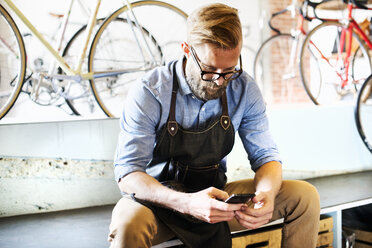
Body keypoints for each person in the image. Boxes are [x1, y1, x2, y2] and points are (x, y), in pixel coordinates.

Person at [108, 3, 320, 248]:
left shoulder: (244, 89)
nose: (219, 82)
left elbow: (266, 157)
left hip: (218, 201)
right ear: (186, 50)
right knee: (128, 225)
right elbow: (127, 174)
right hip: (158, 204)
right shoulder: (151, 92)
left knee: (305, 197)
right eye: (209, 71)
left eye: (228, 71)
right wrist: (187, 203)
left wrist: (267, 195)